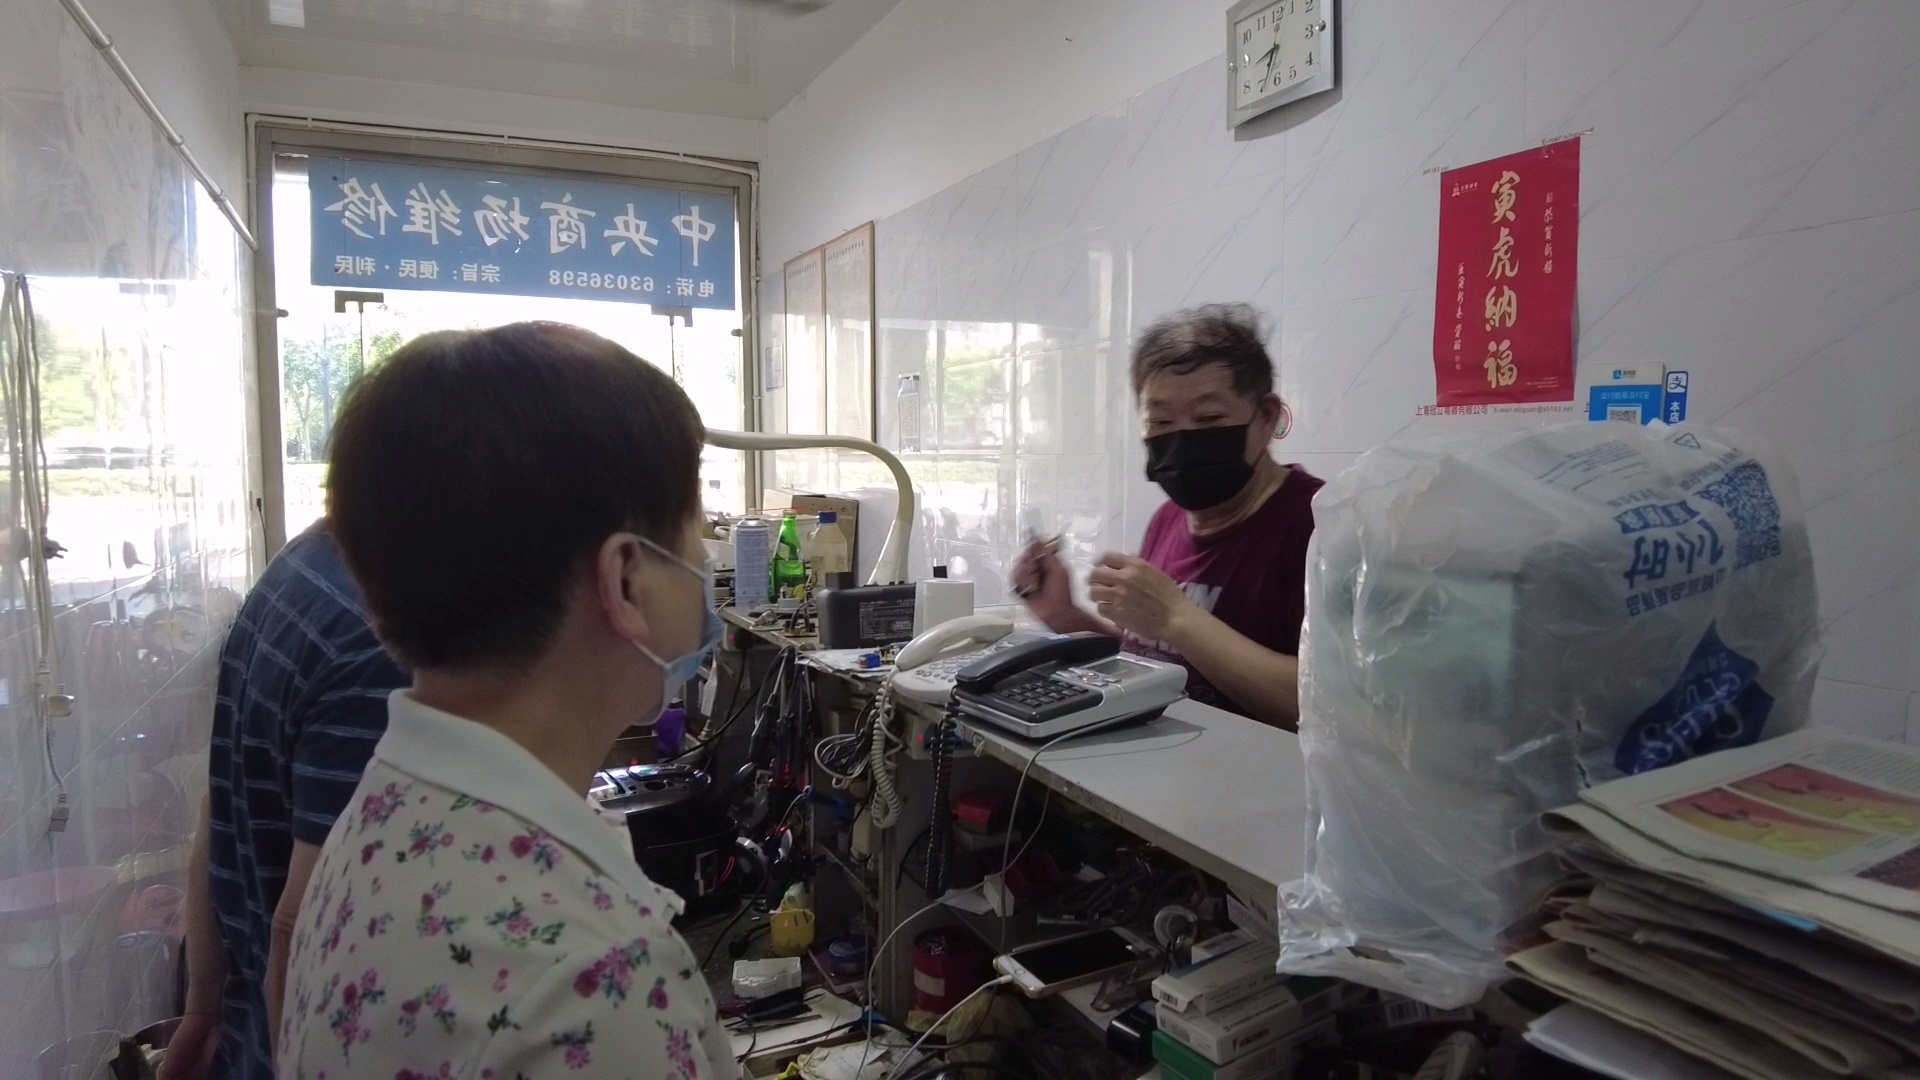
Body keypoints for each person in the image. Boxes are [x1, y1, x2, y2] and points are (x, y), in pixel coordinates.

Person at [277, 322, 732, 1079]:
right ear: (626, 579)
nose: (705, 563)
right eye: (698, 532)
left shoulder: (385, 817)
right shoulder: (595, 984)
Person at [166, 523, 409, 1080]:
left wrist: (203, 1003)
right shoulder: (380, 638)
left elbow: (215, 808)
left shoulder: (300, 565)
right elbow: (306, 923)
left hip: (246, 1038)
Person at [1012, 304, 1319, 729]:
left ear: (1266, 418)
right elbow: (1158, 665)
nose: (1182, 439)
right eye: (1160, 421)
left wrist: (1177, 618)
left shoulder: (1320, 527)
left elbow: (1330, 707)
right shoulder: (1169, 519)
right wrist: (1064, 616)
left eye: (1209, 418)